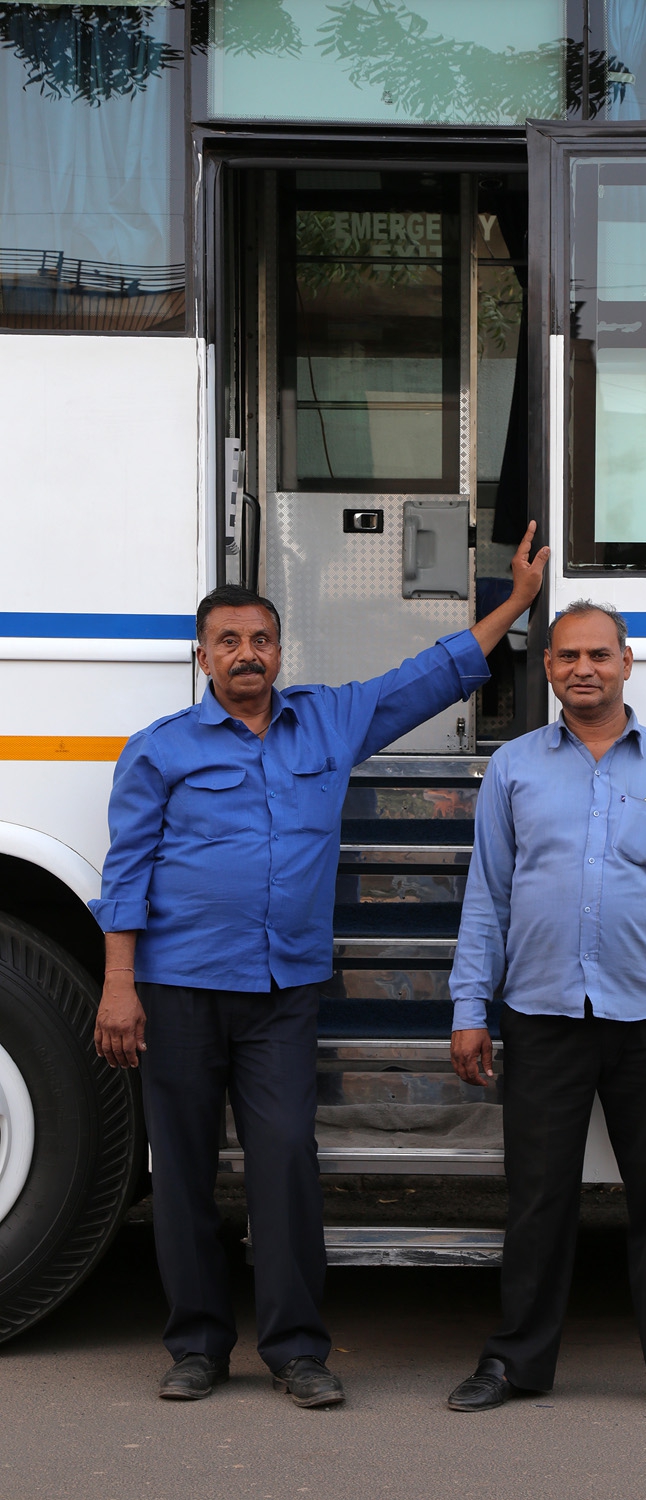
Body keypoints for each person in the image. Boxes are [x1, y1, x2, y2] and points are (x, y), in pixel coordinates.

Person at [90, 524, 548, 1407]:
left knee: (286, 1165)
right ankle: (196, 1346)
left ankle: (298, 1350)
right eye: (229, 641)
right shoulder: (160, 748)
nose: (248, 654)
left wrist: (516, 606)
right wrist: (119, 987)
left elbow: (426, 679)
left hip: (282, 994)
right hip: (178, 990)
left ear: (279, 649)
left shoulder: (328, 719)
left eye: (261, 639)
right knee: (182, 1172)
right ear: (202, 657)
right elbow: (126, 872)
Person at [447, 600, 646, 1418]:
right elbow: (488, 898)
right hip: (540, 1014)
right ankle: (516, 1363)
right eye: (567, 655)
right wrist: (471, 1005)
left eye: (598, 654)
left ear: (626, 662)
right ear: (547, 669)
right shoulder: (514, 768)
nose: (583, 668)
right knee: (538, 1195)